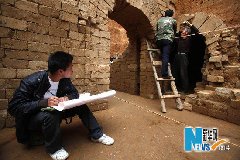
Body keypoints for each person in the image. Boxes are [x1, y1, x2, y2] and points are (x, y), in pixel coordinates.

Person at [8, 51, 114, 160]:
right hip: (35, 118)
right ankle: (54, 149)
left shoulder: (64, 80)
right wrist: (44, 103)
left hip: (57, 111)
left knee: (81, 105)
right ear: (61, 71)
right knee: (50, 115)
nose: (72, 70)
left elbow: (75, 93)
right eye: (71, 67)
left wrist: (67, 98)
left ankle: (97, 134)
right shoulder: (31, 81)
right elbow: (14, 107)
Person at [172, 21, 205, 94]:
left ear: (187, 33)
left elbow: (198, 34)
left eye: (184, 32)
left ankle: (185, 90)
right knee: (174, 73)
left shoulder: (189, 39)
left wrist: (191, 25)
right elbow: (175, 35)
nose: (182, 33)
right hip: (177, 56)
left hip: (184, 57)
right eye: (182, 32)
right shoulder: (178, 39)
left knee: (183, 73)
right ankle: (174, 88)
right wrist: (180, 28)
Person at [156, 9, 177, 78]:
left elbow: (157, 29)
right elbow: (174, 31)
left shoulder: (159, 20)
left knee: (163, 55)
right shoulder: (173, 20)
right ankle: (164, 74)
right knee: (165, 56)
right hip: (167, 39)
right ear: (172, 14)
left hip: (159, 40)